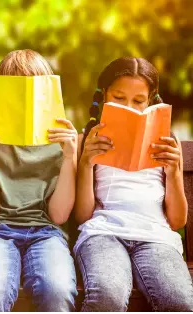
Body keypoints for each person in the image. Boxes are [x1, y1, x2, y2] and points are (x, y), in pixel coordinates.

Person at [74, 56, 193, 311]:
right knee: (107, 296)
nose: (129, 106)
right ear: (104, 95)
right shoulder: (88, 139)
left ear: (150, 102)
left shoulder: (167, 144)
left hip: (155, 237)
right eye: (118, 98)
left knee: (180, 302)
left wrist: (173, 173)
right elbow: (83, 215)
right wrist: (85, 164)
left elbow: (177, 221)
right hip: (103, 233)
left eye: (138, 101)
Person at [0, 49, 78, 311]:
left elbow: (59, 215)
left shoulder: (60, 141)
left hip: (46, 232)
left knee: (58, 289)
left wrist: (69, 157)